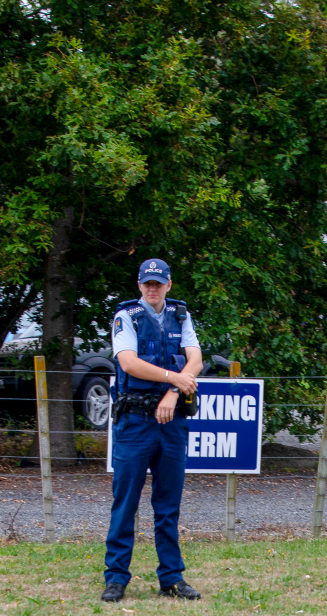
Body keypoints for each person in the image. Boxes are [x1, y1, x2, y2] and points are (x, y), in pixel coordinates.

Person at [102, 258, 203, 602]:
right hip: (135, 422)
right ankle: (116, 578)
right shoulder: (126, 316)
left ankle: (171, 579)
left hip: (172, 421)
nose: (152, 288)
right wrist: (175, 378)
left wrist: (174, 392)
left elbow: (196, 360)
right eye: (147, 283)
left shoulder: (180, 315)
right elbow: (128, 362)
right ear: (139, 284)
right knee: (125, 503)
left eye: (158, 283)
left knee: (168, 505)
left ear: (168, 285)